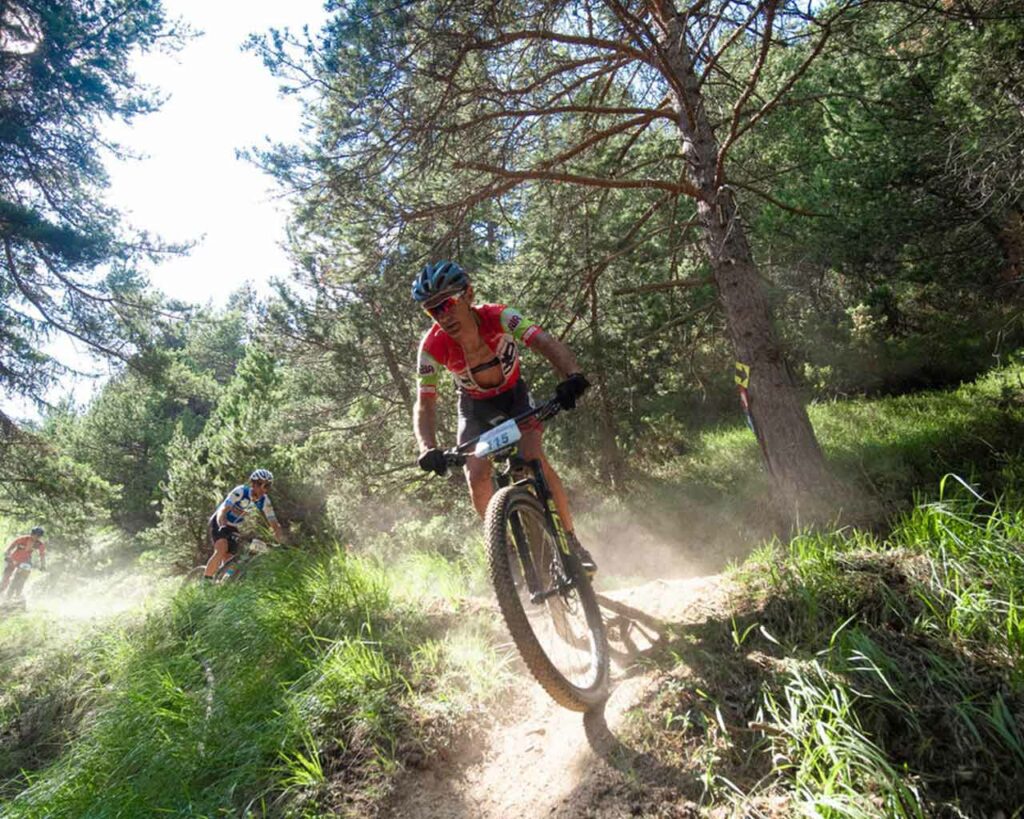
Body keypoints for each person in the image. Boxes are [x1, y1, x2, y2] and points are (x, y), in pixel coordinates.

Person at [411, 260, 596, 573]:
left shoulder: (498, 315)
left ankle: (571, 540)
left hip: (515, 398)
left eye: (447, 304)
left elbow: (543, 341)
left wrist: (572, 375)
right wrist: (426, 447)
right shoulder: (431, 347)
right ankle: (504, 553)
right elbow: (424, 403)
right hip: (474, 407)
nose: (443, 316)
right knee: (476, 474)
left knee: (532, 458)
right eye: (433, 311)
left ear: (468, 294)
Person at [204, 469, 286, 580]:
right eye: (259, 484)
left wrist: (281, 542)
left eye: (266, 485)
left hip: (233, 526)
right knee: (222, 549)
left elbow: (275, 524)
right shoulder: (241, 491)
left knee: (231, 560)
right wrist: (222, 526)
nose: (262, 488)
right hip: (219, 521)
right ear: (252, 483)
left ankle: (221, 583)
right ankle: (205, 583)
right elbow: (223, 511)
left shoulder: (265, 501)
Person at [2, 526, 46, 595]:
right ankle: (1, 591)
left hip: (25, 561)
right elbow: (12, 545)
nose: (36, 537)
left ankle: (17, 594)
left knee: (23, 576)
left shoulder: (40, 544)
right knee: (5, 579)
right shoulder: (23, 539)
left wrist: (43, 565)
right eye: (35, 534)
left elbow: (42, 555)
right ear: (31, 533)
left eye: (38, 536)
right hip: (13, 559)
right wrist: (7, 553)